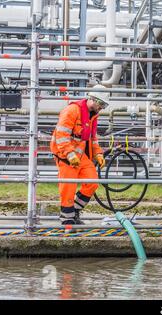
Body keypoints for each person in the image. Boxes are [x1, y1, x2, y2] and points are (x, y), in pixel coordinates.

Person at [50, 84, 109, 225]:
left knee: (92, 182)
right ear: (93, 99)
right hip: (65, 156)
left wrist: (98, 154)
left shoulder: (93, 116)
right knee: (68, 188)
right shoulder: (72, 110)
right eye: (101, 104)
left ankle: (74, 211)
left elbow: (92, 138)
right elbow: (62, 135)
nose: (102, 108)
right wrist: (70, 154)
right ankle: (67, 219)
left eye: (104, 106)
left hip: (80, 155)